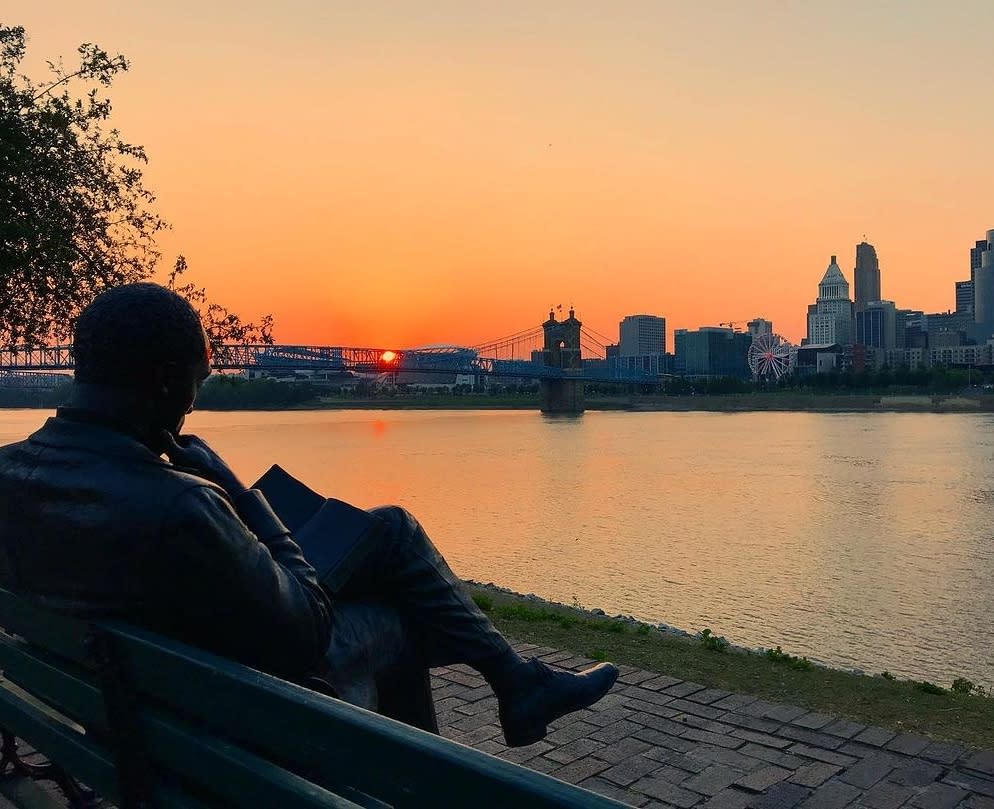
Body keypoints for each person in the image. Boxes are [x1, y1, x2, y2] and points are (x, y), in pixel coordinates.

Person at [0, 283, 618, 747]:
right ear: (164, 382)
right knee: (393, 603)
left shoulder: (8, 474)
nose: (192, 402)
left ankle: (516, 684)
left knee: (387, 531)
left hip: (118, 706)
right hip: (217, 719)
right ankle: (499, 702)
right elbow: (307, 632)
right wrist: (238, 492)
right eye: (196, 382)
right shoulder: (181, 503)